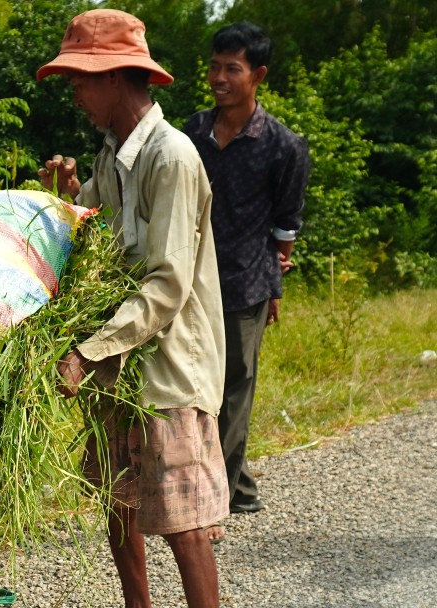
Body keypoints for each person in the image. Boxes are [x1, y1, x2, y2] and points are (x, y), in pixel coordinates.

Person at [37, 9, 228, 608]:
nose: (74, 94)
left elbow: (167, 284)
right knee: (118, 504)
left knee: (184, 524)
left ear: (115, 77)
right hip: (118, 361)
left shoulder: (171, 157)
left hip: (168, 367)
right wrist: (68, 197)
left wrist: (87, 353)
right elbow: (96, 225)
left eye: (80, 80)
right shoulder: (111, 155)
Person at [182, 23, 310, 516]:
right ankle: (240, 488)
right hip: (189, 281)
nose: (219, 78)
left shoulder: (283, 145)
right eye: (214, 67)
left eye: (231, 69)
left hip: (245, 283)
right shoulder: (192, 132)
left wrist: (274, 285)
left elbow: (287, 222)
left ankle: (213, 497)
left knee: (232, 393)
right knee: (195, 387)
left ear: (258, 75)